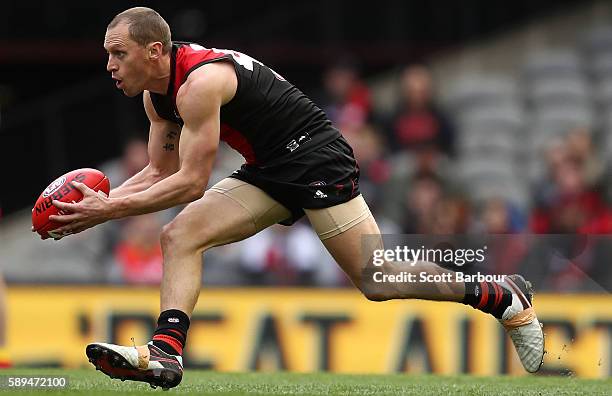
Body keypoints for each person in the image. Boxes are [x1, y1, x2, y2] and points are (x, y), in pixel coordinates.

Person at [42, 7, 543, 389]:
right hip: (269, 167)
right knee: (180, 235)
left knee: (378, 279)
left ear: (153, 51)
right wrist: (94, 209)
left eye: (118, 53)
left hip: (315, 157)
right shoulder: (158, 97)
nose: (109, 64)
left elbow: (190, 183)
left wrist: (108, 208)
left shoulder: (199, 84)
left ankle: (500, 295)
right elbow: (158, 170)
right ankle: (167, 353)